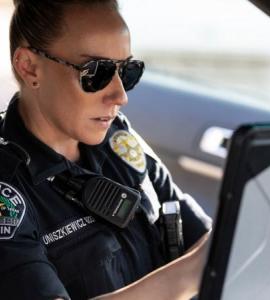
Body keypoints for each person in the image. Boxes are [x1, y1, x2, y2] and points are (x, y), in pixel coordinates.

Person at [0, 1, 212, 299]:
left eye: (127, 71)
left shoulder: (118, 141)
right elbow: (200, 263)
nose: (120, 95)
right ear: (29, 67)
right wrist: (189, 274)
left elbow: (199, 238)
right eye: (96, 73)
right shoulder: (8, 191)